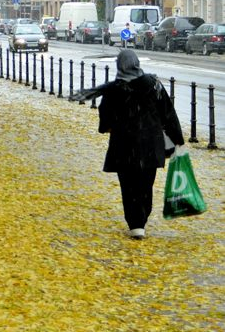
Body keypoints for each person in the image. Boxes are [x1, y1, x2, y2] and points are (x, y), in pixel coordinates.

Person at [72, 49, 184, 240]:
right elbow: (167, 112)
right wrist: (177, 138)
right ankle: (142, 218)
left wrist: (107, 127)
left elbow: (105, 113)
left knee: (128, 185)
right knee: (146, 184)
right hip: (150, 143)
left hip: (124, 144)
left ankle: (135, 223)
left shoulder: (115, 88)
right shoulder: (154, 84)